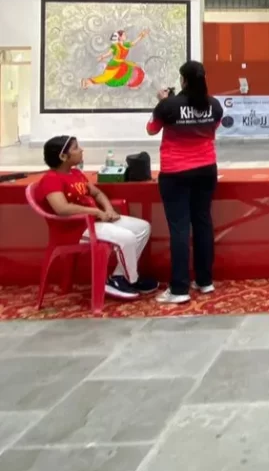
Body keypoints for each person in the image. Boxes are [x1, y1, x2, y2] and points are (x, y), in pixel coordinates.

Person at [35, 135, 157, 300]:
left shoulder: (76, 173)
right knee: (127, 237)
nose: (81, 150)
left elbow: (97, 193)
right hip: (75, 230)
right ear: (63, 156)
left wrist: (108, 209)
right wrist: (96, 212)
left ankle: (121, 277)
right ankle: (130, 279)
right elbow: (62, 208)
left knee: (143, 228)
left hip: (94, 221)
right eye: (76, 148)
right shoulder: (51, 179)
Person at [147, 60, 223, 305]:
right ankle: (204, 281)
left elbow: (151, 129)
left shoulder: (168, 106)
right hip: (206, 170)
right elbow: (213, 129)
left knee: (179, 228)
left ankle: (179, 288)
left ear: (183, 80)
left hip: (176, 173)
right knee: (202, 223)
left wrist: (162, 102)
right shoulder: (214, 105)